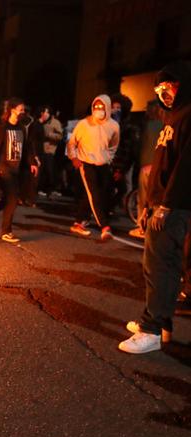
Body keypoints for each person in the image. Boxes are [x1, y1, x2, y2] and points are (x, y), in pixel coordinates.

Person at [119, 61, 191, 354]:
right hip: (162, 204)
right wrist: (149, 203)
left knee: (162, 265)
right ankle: (161, 324)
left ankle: (151, 330)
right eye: (160, 89)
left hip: (175, 207)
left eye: (169, 87)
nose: (164, 93)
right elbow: (161, 164)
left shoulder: (188, 116)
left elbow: (186, 167)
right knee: (159, 265)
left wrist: (167, 205)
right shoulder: (172, 118)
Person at [0, 98, 38, 243]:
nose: (23, 112)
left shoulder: (22, 129)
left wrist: (32, 162)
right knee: (12, 198)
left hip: (16, 170)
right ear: (12, 110)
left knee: (7, 200)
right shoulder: (0, 128)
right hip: (2, 169)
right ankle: (6, 231)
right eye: (21, 109)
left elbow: (27, 148)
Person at [67, 95, 120, 241]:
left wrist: (109, 158)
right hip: (86, 163)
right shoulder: (84, 124)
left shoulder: (114, 126)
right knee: (93, 194)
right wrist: (74, 157)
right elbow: (72, 143)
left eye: (101, 107)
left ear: (107, 108)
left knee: (97, 194)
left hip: (103, 164)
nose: (98, 110)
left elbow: (114, 145)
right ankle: (105, 226)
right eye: (95, 107)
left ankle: (79, 221)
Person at [129, 99, 163, 239]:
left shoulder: (150, 126)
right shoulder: (167, 125)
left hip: (147, 166)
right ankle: (154, 228)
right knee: (156, 199)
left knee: (144, 199)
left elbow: (144, 147)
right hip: (160, 167)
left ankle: (142, 227)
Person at [109, 93, 140, 212]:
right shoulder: (106, 123)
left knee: (124, 186)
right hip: (108, 160)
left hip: (122, 160)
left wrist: (121, 168)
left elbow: (127, 148)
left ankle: (123, 205)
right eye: (113, 107)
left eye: (118, 108)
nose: (115, 110)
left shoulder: (128, 127)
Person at [37, 106, 64, 198]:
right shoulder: (40, 122)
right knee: (42, 170)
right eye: (43, 112)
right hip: (40, 149)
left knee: (49, 170)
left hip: (50, 149)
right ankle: (41, 189)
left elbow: (60, 136)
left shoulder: (55, 123)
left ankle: (50, 189)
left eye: (47, 112)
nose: (45, 114)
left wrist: (49, 135)